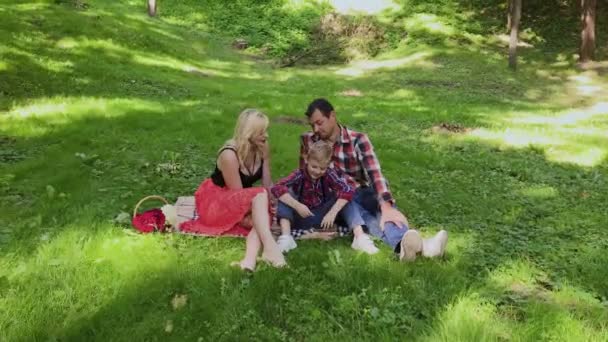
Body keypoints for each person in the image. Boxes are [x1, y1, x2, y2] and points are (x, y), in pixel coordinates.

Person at [300, 98, 448, 261]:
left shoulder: (358, 139)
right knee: (362, 213)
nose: (315, 129)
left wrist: (386, 207)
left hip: (363, 191)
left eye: (319, 123)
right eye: (312, 125)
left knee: (381, 209)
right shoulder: (309, 141)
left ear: (333, 116)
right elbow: (305, 176)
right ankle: (416, 246)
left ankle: (411, 247)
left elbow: (375, 174)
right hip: (337, 200)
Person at [180, 109, 286, 271]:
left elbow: (266, 186)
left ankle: (249, 261)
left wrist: (266, 159)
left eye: (266, 130)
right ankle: (271, 249)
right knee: (262, 209)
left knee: (262, 214)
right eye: (261, 132)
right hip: (217, 201)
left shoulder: (261, 146)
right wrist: (261, 203)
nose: (266, 136)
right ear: (248, 133)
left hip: (243, 198)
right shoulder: (229, 155)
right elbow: (237, 196)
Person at [271, 141, 378, 254]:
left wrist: (332, 212)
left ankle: (360, 237)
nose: (317, 171)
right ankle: (286, 238)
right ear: (307, 160)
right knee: (284, 195)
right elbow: (277, 187)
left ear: (328, 165)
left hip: (323, 218)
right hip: (302, 217)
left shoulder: (329, 174)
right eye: (314, 166)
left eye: (322, 168)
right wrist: (297, 205)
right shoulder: (299, 174)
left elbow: (347, 189)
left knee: (346, 197)